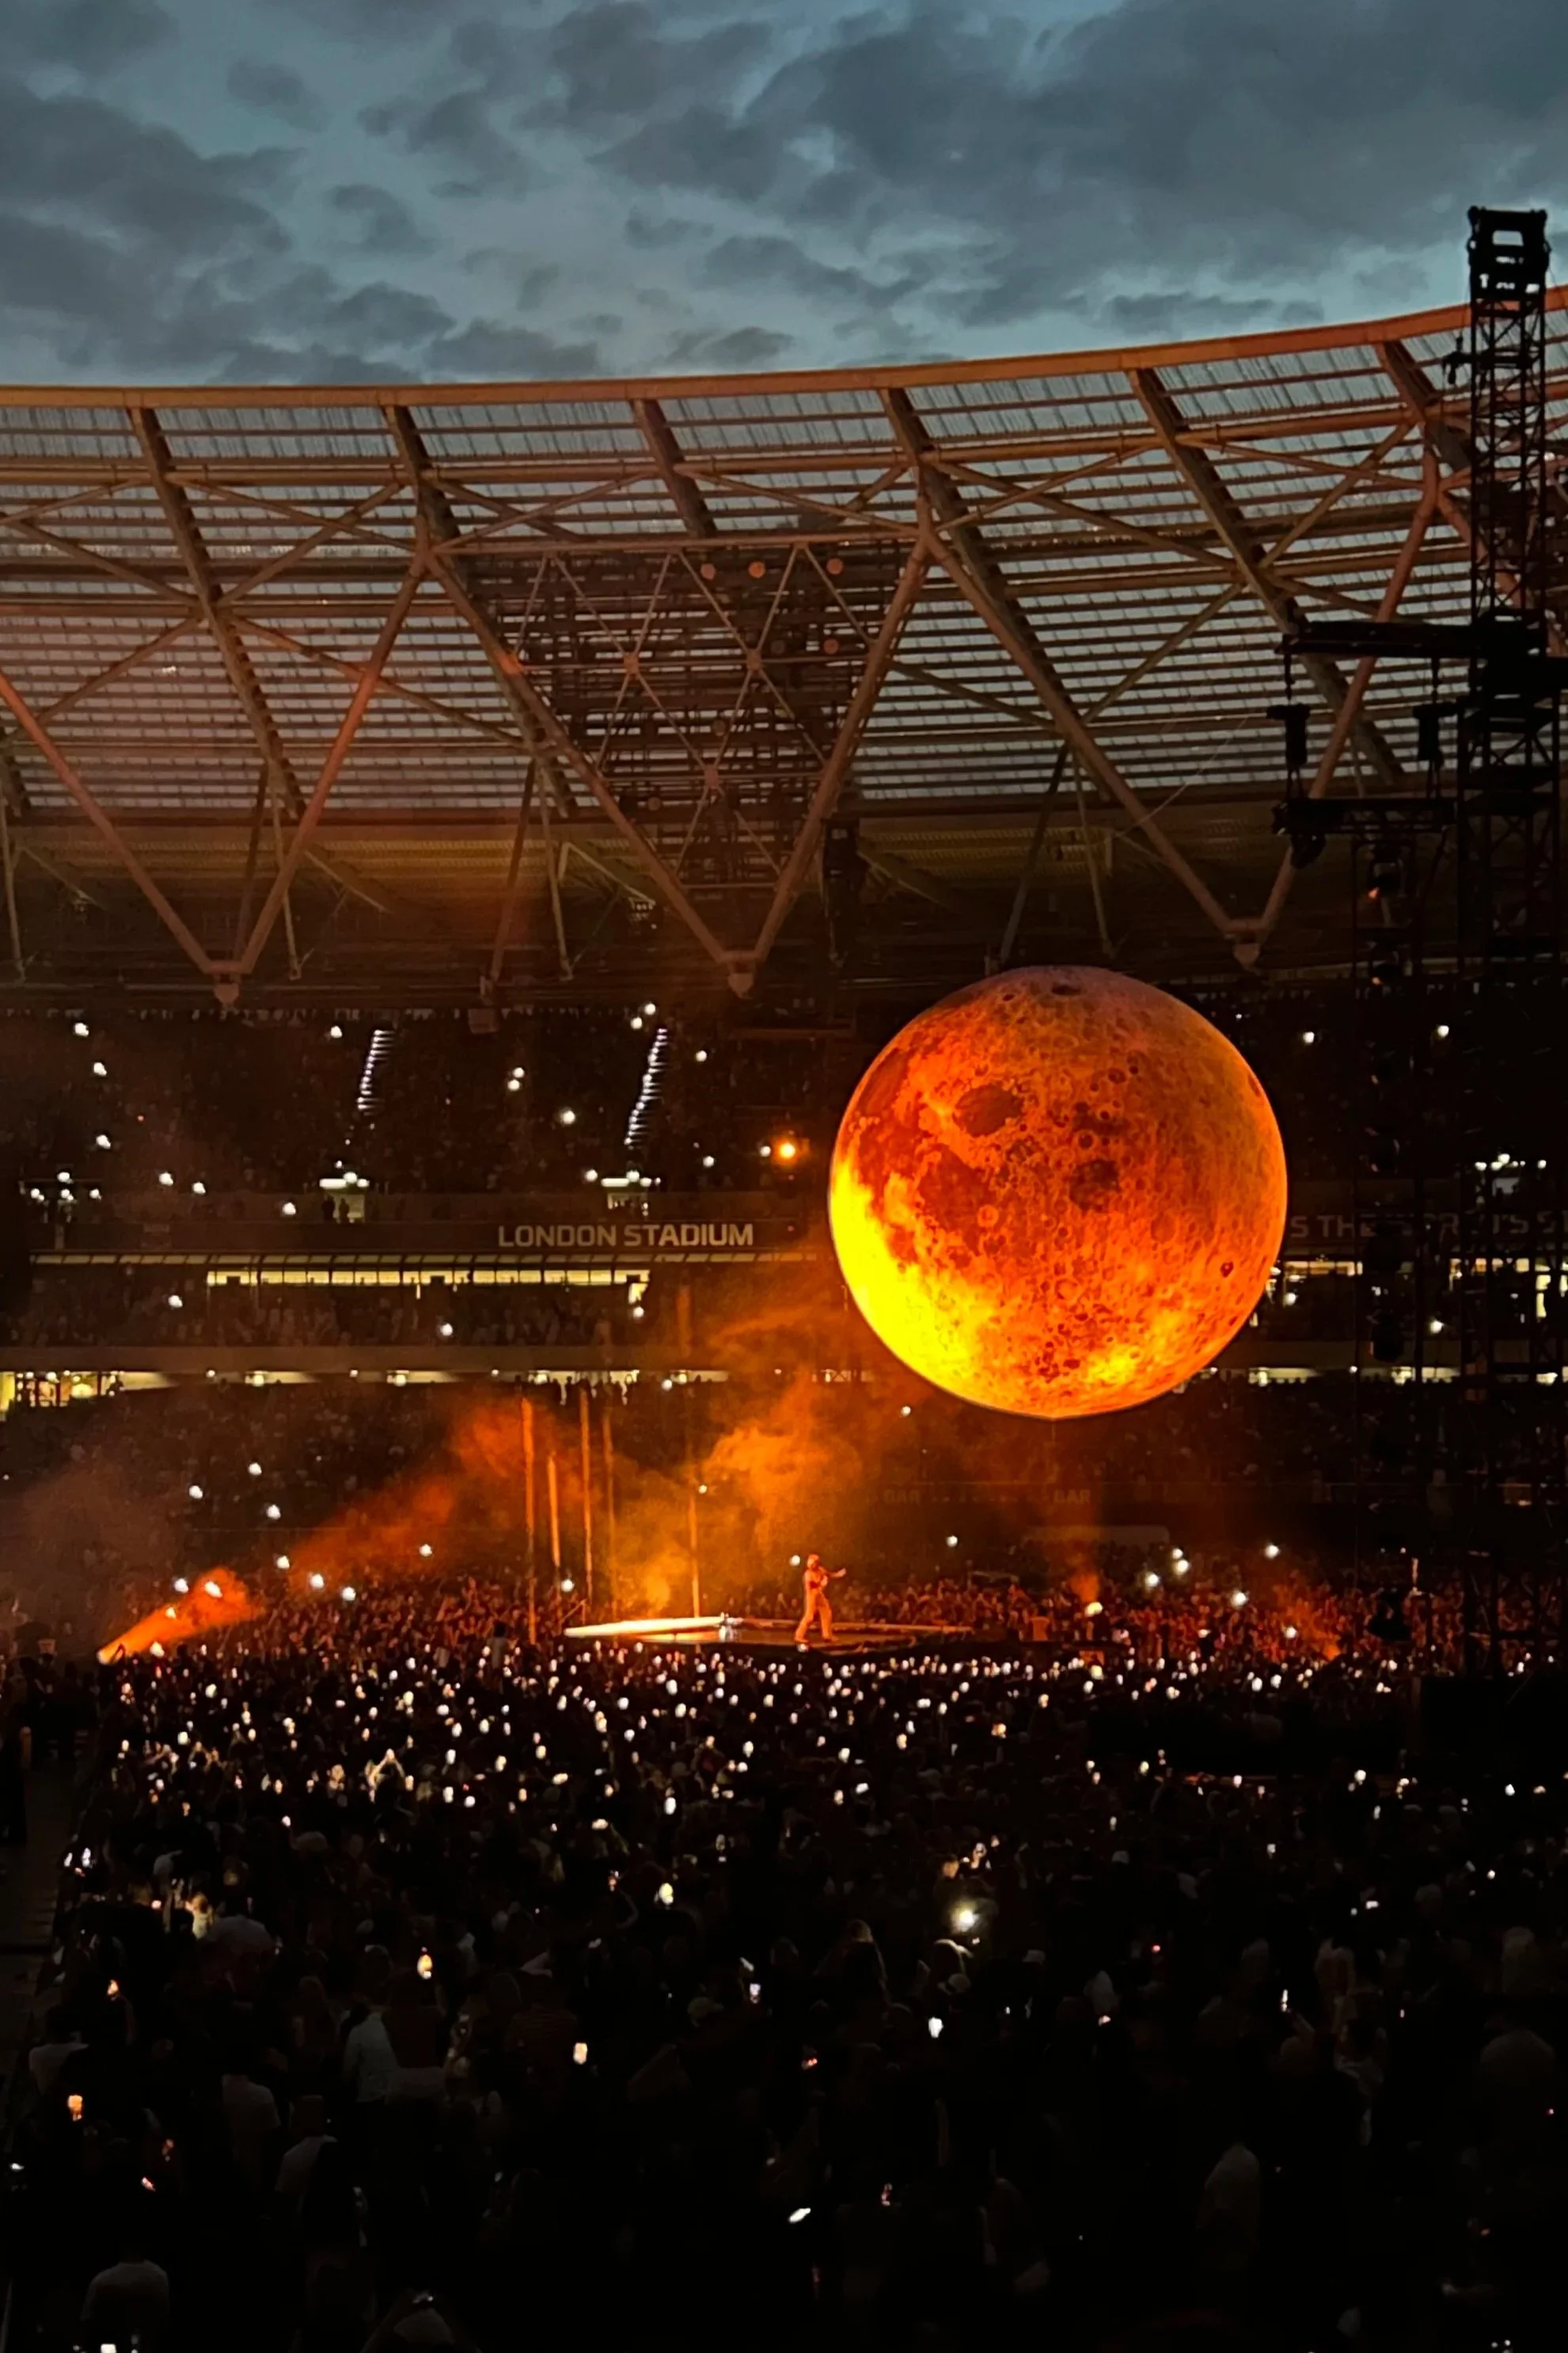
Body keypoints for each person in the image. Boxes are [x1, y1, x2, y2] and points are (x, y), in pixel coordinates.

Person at [793, 1552, 845, 1644]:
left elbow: (829, 1574)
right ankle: (799, 1636)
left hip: (819, 1595)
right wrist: (821, 1583)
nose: (815, 1565)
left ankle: (827, 1636)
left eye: (816, 1563)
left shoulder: (820, 1570)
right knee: (809, 1617)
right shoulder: (808, 1574)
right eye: (813, 1564)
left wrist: (838, 1575)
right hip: (812, 1596)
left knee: (827, 1612)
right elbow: (811, 1586)